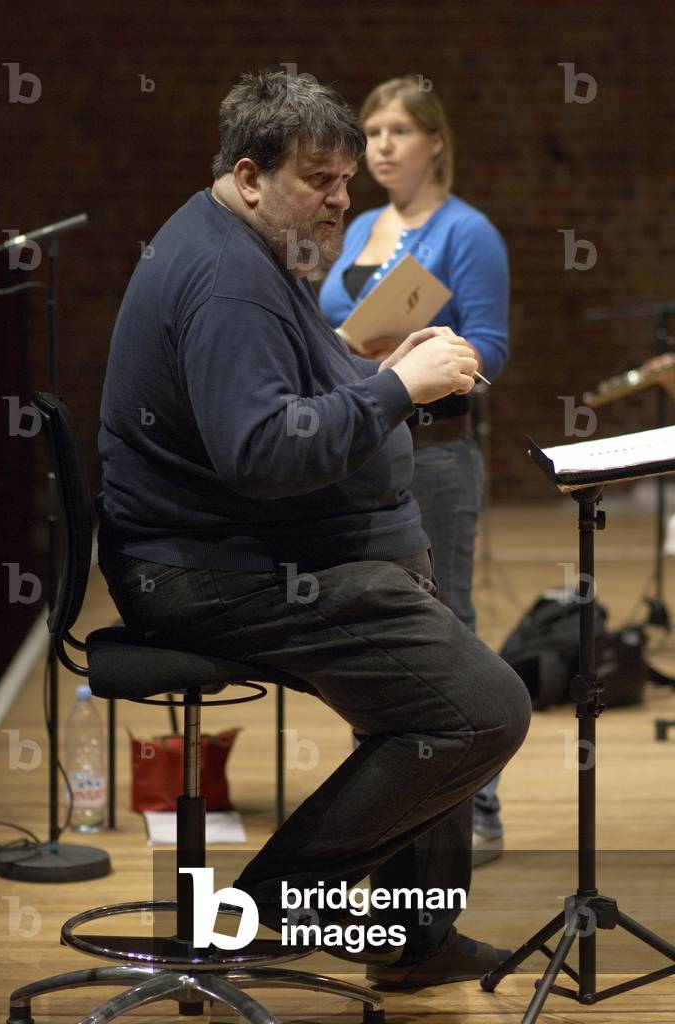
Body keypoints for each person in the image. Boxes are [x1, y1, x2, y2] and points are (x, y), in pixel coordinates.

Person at [97, 69, 531, 990]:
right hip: (207, 574)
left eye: (347, 181)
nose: (343, 199)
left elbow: (309, 367)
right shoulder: (226, 279)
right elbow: (260, 450)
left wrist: (383, 362)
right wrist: (394, 391)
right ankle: (254, 920)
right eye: (321, 181)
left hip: (239, 554)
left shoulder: (249, 240)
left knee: (435, 671)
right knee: (485, 710)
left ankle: (414, 941)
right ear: (251, 176)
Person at [319, 76, 507, 864]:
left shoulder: (468, 231)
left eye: (399, 129)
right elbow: (320, 325)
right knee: (377, 628)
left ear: (435, 141)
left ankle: (477, 810)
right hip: (358, 453)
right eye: (373, 130)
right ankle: (396, 796)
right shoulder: (359, 222)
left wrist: (419, 348)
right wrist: (348, 347)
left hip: (433, 452)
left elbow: (491, 348)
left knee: (448, 622)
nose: (383, 145)